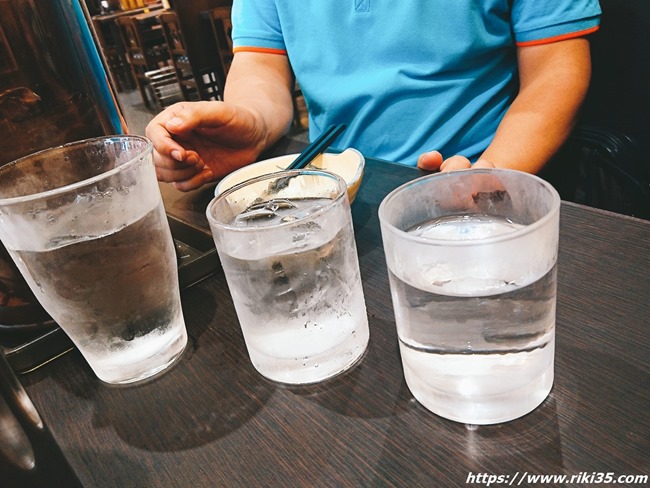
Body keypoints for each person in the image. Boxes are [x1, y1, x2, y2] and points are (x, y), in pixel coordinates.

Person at [147, 1, 602, 192]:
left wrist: (492, 172)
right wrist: (252, 122)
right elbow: (262, 64)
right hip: (329, 188)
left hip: (479, 178)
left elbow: (554, 68)